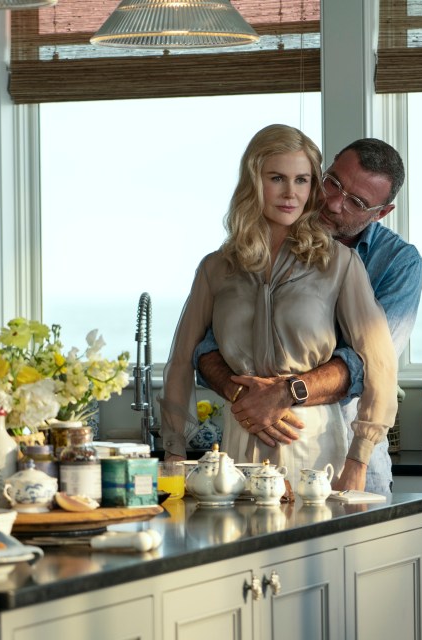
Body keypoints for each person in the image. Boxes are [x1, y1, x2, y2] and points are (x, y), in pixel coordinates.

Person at [159, 125, 398, 492]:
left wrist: (358, 459)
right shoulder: (216, 268)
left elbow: (379, 363)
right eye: (277, 178)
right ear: (254, 182)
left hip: (316, 451)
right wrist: (174, 452)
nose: (290, 193)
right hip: (239, 443)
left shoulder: (340, 264)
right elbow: (181, 359)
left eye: (302, 180)